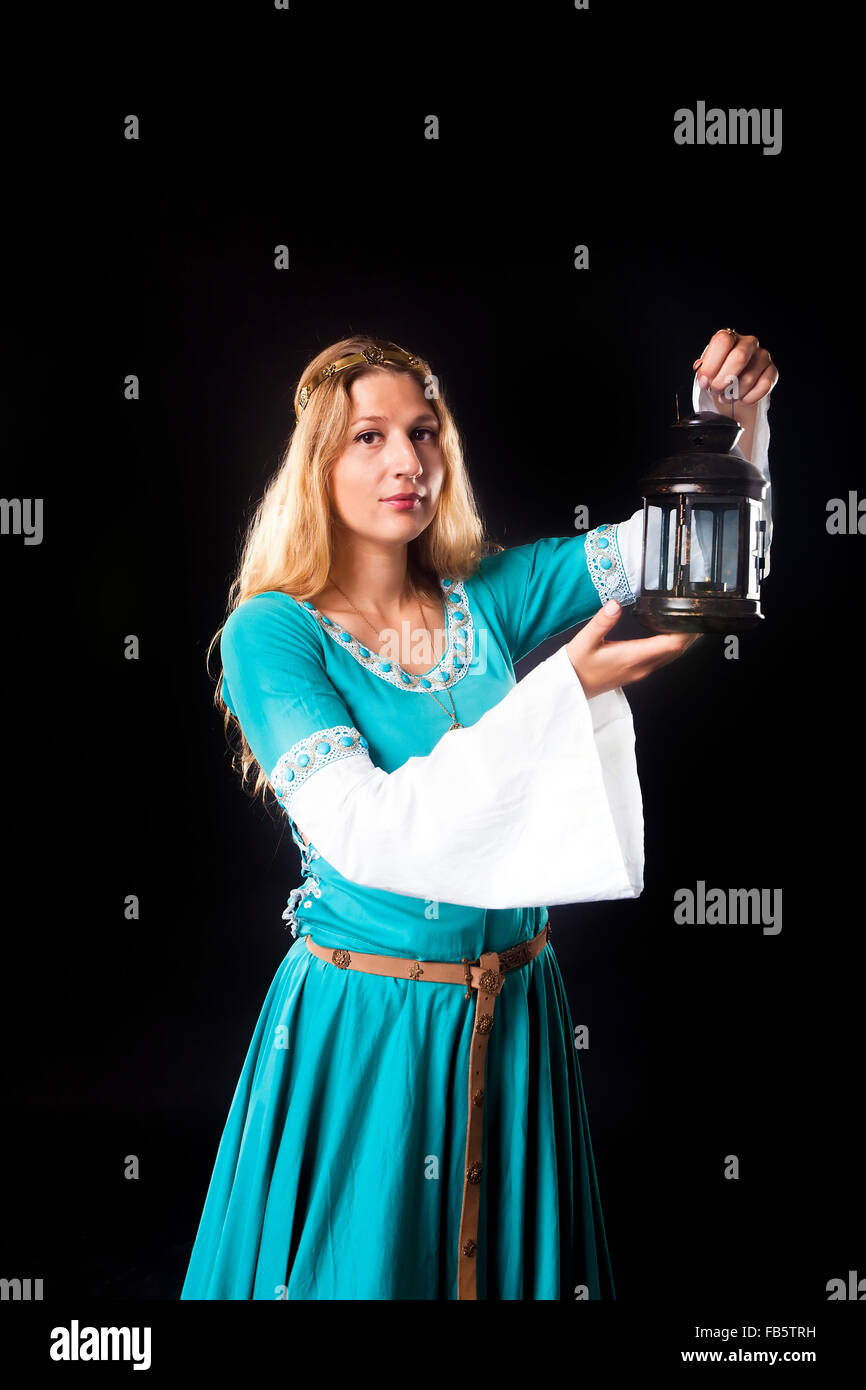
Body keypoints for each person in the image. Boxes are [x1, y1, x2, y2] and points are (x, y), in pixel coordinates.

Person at [180, 330, 777, 1301]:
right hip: (372, 1021)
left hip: (518, 1010)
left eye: (422, 432)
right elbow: (368, 832)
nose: (406, 460)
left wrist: (734, 425)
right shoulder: (273, 631)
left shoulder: (484, 600)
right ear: (318, 460)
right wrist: (560, 694)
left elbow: (689, 546)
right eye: (368, 437)